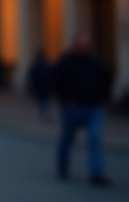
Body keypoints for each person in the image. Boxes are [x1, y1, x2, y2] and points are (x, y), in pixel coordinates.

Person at [53, 35, 111, 186]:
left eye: (87, 45)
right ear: (75, 46)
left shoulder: (95, 62)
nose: (84, 48)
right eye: (81, 45)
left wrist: (104, 98)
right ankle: (63, 167)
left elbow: (105, 80)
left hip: (94, 107)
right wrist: (64, 99)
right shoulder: (66, 62)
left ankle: (96, 173)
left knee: (94, 138)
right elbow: (57, 82)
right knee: (67, 139)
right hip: (73, 108)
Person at [27, 49, 55, 121]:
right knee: (46, 101)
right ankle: (46, 113)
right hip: (46, 87)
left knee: (41, 101)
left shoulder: (35, 66)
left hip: (40, 87)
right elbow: (51, 76)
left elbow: (32, 77)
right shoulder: (47, 65)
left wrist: (32, 87)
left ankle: (43, 114)